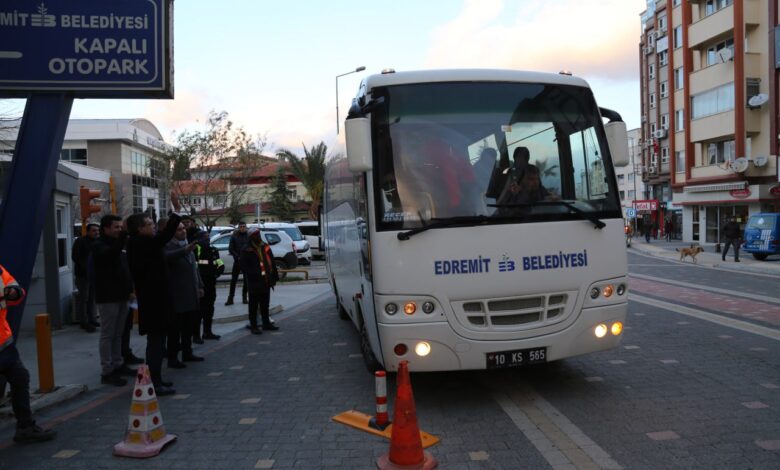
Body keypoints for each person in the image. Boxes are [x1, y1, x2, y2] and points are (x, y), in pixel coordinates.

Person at [0, 263, 57, 443]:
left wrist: (14, 292)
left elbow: (16, 290)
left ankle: (25, 427)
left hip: (3, 344)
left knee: (20, 377)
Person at [126, 212, 181, 395]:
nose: (154, 226)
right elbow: (164, 237)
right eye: (149, 224)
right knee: (156, 343)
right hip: (153, 301)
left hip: (156, 300)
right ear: (140, 228)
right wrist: (176, 212)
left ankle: (156, 380)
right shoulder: (141, 243)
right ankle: (153, 383)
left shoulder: (143, 243)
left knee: (157, 342)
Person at [91, 214, 135, 386]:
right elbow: (110, 255)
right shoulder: (99, 246)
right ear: (106, 228)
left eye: (120, 227)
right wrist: (123, 236)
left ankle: (118, 363)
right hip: (108, 297)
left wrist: (130, 290)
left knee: (119, 333)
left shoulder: (120, 246)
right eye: (116, 227)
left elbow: (124, 269)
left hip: (123, 296)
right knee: (108, 334)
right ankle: (107, 370)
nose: (119, 230)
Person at [164, 222, 204, 367]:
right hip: (177, 295)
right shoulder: (169, 246)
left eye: (183, 229)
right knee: (175, 329)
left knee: (189, 326)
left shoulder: (188, 245)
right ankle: (173, 358)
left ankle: (188, 352)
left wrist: (200, 285)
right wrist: (185, 250)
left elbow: (195, 268)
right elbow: (167, 257)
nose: (183, 231)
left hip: (191, 293)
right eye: (179, 229)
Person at [240, 228, 280, 334]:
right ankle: (254, 326)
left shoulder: (264, 246)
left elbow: (272, 261)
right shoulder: (246, 249)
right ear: (251, 236)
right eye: (256, 234)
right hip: (254, 282)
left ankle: (266, 324)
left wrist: (274, 277)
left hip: (266, 280)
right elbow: (243, 266)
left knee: (265, 304)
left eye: (258, 234)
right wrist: (253, 273)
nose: (258, 236)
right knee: (253, 305)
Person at [194, 231, 224, 341]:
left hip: (211, 283)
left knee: (209, 309)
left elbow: (220, 264)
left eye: (208, 238)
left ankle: (207, 332)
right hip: (200, 284)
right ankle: (196, 335)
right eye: (205, 238)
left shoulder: (213, 250)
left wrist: (216, 274)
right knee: (199, 310)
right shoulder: (196, 249)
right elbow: (194, 267)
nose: (207, 240)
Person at [72, 223, 100, 332]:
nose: (96, 232)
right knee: (84, 298)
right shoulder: (80, 241)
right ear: (88, 231)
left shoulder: (98, 242)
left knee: (92, 298)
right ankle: (83, 321)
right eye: (94, 230)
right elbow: (76, 257)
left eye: (97, 230)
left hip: (94, 275)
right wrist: (86, 267)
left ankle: (92, 318)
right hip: (82, 275)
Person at [226, 222, 249, 306]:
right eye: (241, 227)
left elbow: (250, 247)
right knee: (233, 280)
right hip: (237, 261)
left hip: (246, 262)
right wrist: (237, 257)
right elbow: (230, 249)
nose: (242, 228)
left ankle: (244, 297)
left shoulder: (248, 236)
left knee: (246, 280)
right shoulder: (234, 236)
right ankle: (230, 298)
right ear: (238, 227)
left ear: (246, 227)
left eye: (244, 226)